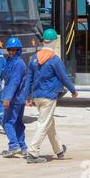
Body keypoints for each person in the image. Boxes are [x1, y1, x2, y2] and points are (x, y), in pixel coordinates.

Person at [23, 28, 78, 164]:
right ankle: (33, 152)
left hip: (37, 96)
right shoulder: (55, 60)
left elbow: (28, 79)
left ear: (43, 41)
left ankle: (58, 150)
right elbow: (64, 77)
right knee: (43, 124)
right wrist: (73, 91)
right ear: (54, 42)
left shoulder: (34, 58)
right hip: (49, 97)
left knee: (49, 123)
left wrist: (27, 96)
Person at [1, 37, 27, 158]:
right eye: (9, 49)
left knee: (7, 122)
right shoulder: (10, 61)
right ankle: (22, 147)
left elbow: (14, 82)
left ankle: (14, 146)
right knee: (17, 123)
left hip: (15, 98)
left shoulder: (18, 63)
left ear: (19, 50)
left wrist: (7, 98)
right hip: (18, 98)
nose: (11, 52)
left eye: (14, 50)